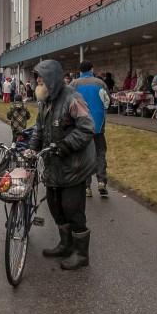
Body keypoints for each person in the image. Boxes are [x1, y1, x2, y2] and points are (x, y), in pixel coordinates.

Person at [28, 59, 96, 270]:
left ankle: (81, 254)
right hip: (54, 165)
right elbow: (39, 128)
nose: (37, 81)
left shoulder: (72, 98)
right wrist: (32, 147)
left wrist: (65, 146)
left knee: (72, 209)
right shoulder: (45, 101)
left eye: (40, 77)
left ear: (52, 78)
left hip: (73, 165)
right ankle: (65, 244)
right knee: (55, 206)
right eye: (36, 77)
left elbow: (87, 128)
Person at [72, 61, 111, 198]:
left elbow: (69, 104)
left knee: (84, 156)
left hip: (81, 126)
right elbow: (107, 101)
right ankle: (101, 181)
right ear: (92, 69)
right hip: (98, 125)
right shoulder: (100, 83)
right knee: (100, 152)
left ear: (80, 70)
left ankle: (87, 187)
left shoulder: (74, 84)